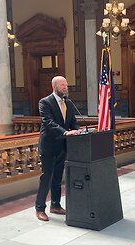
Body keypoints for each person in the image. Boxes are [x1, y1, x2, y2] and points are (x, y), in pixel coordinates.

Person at [35, 76, 81, 221]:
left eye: (66, 85)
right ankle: (39, 208)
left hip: (62, 145)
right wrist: (65, 132)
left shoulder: (68, 102)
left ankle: (55, 205)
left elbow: (72, 122)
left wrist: (79, 132)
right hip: (48, 146)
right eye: (62, 85)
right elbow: (48, 122)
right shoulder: (45, 102)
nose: (65, 87)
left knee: (57, 178)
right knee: (46, 178)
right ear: (54, 87)